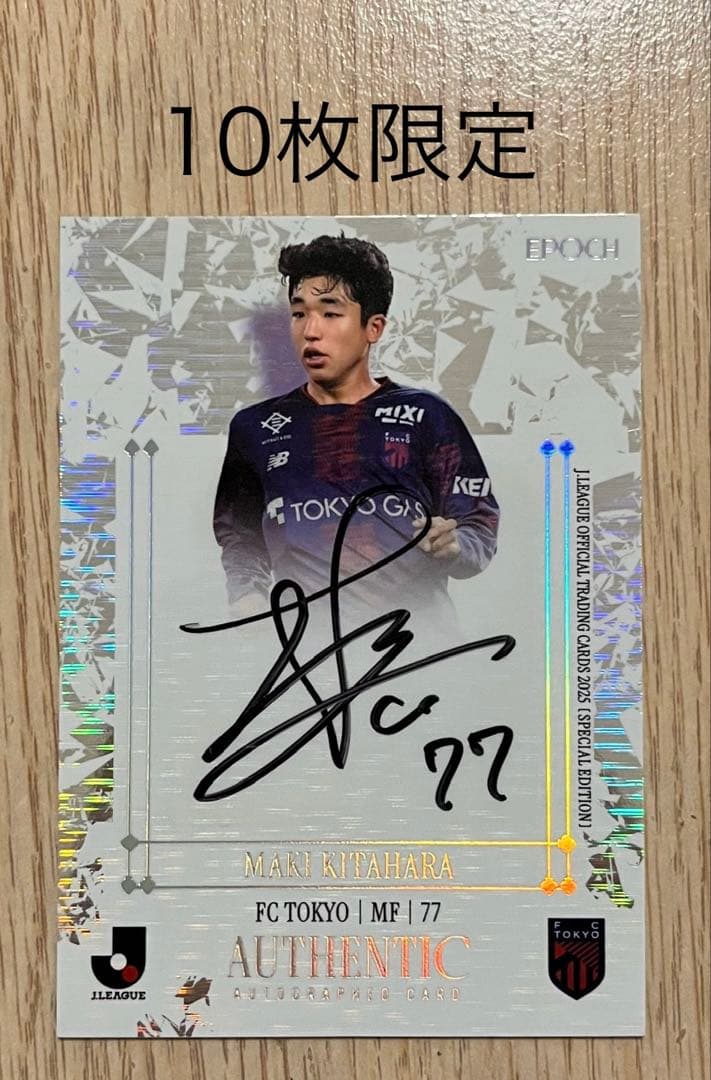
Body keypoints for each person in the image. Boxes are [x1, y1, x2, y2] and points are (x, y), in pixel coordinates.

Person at [213, 234, 499, 629]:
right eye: (299, 313)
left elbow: (478, 522)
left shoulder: (428, 416)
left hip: (419, 645)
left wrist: (456, 544)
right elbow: (241, 536)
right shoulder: (255, 428)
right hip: (308, 648)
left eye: (331, 313)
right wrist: (248, 594)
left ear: (373, 327)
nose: (311, 331)